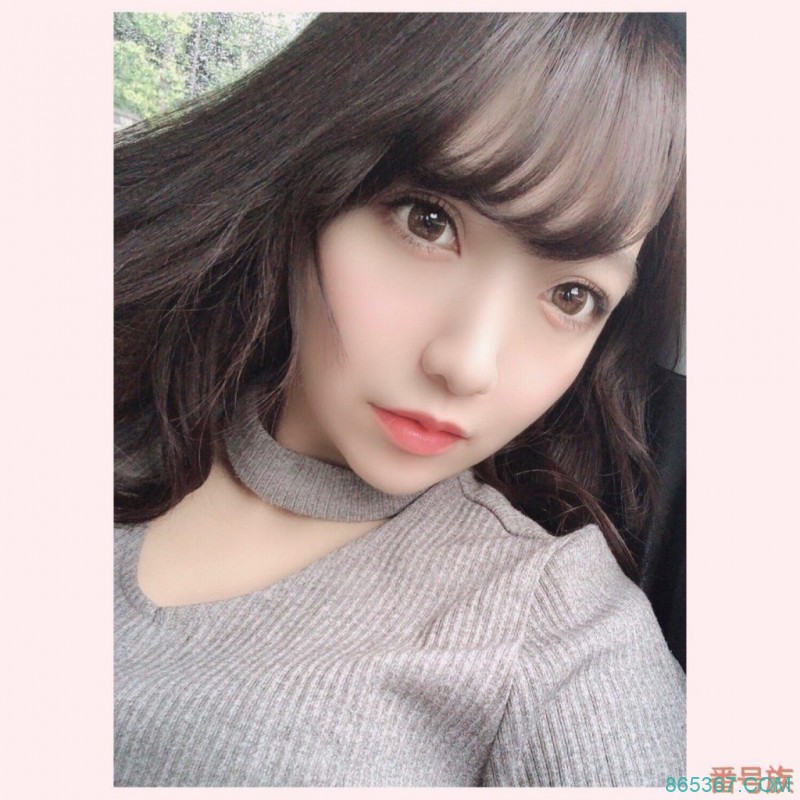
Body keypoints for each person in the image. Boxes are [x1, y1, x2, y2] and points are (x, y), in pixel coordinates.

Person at [114, 12, 686, 787]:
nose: (467, 365)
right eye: (428, 222)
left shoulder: (557, 628)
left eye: (572, 295)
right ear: (310, 177)